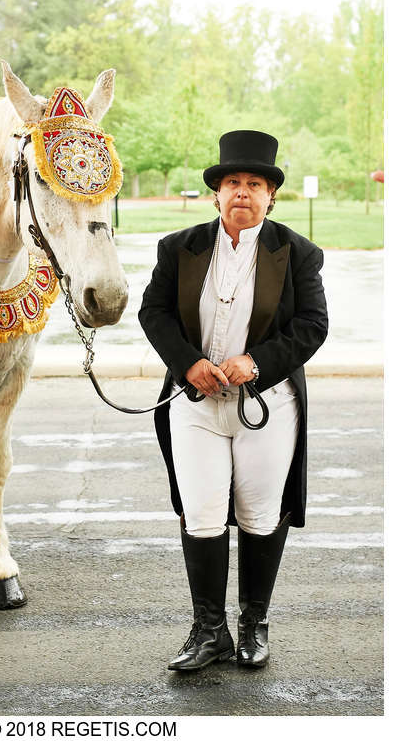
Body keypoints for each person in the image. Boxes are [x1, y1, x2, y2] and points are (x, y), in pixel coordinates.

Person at [138, 130, 328, 672]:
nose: (242, 192)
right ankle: (209, 631)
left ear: (271, 195)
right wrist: (188, 362)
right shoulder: (179, 248)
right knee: (200, 512)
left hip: (265, 407)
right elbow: (155, 314)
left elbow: (314, 325)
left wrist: (257, 362)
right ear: (216, 193)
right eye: (232, 183)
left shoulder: (297, 253)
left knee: (259, 513)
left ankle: (253, 626)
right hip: (195, 405)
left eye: (254, 183)